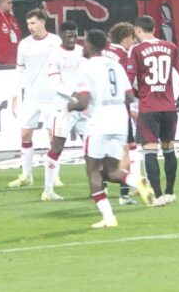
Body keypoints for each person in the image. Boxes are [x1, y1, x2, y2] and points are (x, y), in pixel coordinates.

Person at [68, 28, 148, 229]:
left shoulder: (86, 68)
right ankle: (136, 180)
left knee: (93, 170)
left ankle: (108, 217)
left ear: (90, 45)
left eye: (85, 42)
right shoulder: (116, 65)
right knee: (112, 170)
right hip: (119, 121)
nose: (83, 45)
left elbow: (83, 101)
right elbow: (130, 96)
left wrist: (70, 105)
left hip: (99, 122)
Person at [132, 15, 179, 205]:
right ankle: (170, 192)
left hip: (149, 108)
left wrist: (137, 95)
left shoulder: (137, 50)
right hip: (168, 107)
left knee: (149, 151)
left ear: (138, 30)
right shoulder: (170, 47)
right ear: (154, 29)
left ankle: (158, 196)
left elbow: (129, 79)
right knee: (169, 149)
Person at [7, 8, 60, 190]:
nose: (30, 27)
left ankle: (55, 175)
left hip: (52, 98)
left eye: (33, 23)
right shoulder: (24, 44)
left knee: (53, 136)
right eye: (28, 23)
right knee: (25, 134)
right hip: (31, 97)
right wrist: (15, 94)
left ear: (43, 22)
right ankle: (26, 175)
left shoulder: (56, 42)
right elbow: (19, 70)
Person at [39, 21, 87, 201]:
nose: (72, 39)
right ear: (60, 36)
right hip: (64, 108)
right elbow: (55, 84)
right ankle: (48, 190)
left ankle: (98, 188)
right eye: (68, 36)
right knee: (57, 147)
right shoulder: (55, 56)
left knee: (91, 148)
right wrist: (73, 94)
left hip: (83, 108)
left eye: (74, 35)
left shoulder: (83, 51)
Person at [103, 22, 142, 204]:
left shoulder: (103, 51)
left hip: (100, 109)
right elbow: (127, 84)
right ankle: (129, 189)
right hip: (119, 109)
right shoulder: (124, 55)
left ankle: (102, 188)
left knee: (103, 149)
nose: (134, 42)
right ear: (125, 38)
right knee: (128, 147)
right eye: (133, 38)